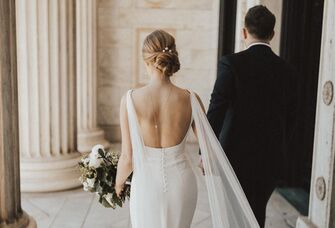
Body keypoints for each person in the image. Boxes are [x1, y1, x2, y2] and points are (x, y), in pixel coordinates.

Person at [114, 30, 259, 228]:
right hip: (181, 183)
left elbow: (127, 157)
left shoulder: (129, 100)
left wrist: (118, 183)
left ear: (146, 60)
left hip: (146, 186)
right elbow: (209, 147)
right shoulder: (191, 98)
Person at [207, 5, 297, 227]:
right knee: (257, 213)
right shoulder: (287, 70)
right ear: (273, 34)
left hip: (234, 157)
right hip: (270, 157)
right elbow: (292, 118)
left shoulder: (231, 64)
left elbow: (216, 108)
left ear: (243, 32)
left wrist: (205, 151)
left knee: (232, 214)